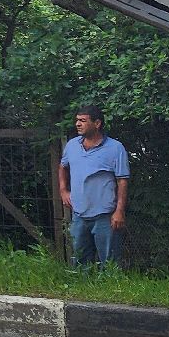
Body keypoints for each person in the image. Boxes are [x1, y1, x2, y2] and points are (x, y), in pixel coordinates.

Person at [58, 104, 129, 268]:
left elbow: (122, 181)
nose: (77, 124)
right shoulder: (72, 145)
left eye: (83, 120)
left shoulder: (115, 148)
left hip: (105, 215)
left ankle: (111, 291)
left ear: (97, 124)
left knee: (110, 264)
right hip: (79, 214)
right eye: (77, 120)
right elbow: (63, 166)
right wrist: (63, 190)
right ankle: (82, 291)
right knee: (81, 262)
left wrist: (119, 211)